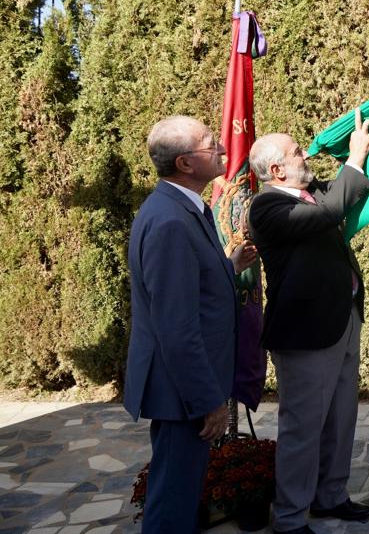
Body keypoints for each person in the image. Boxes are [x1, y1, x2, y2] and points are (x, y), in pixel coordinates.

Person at [124, 116, 258, 534]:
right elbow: (176, 327)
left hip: (183, 387)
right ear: (185, 163)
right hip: (184, 392)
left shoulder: (181, 209)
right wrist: (207, 401)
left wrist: (227, 267)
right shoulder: (170, 222)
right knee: (173, 502)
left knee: (178, 492)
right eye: (209, 142)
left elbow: (189, 289)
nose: (221, 147)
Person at [247, 108, 369, 534]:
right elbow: (332, 208)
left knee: (341, 418)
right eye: (297, 151)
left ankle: (331, 497)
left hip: (341, 322)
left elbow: (338, 191)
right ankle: (288, 518)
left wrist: (347, 146)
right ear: (277, 168)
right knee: (303, 428)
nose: (306, 155)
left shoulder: (309, 192)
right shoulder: (266, 207)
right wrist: (353, 159)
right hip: (305, 334)